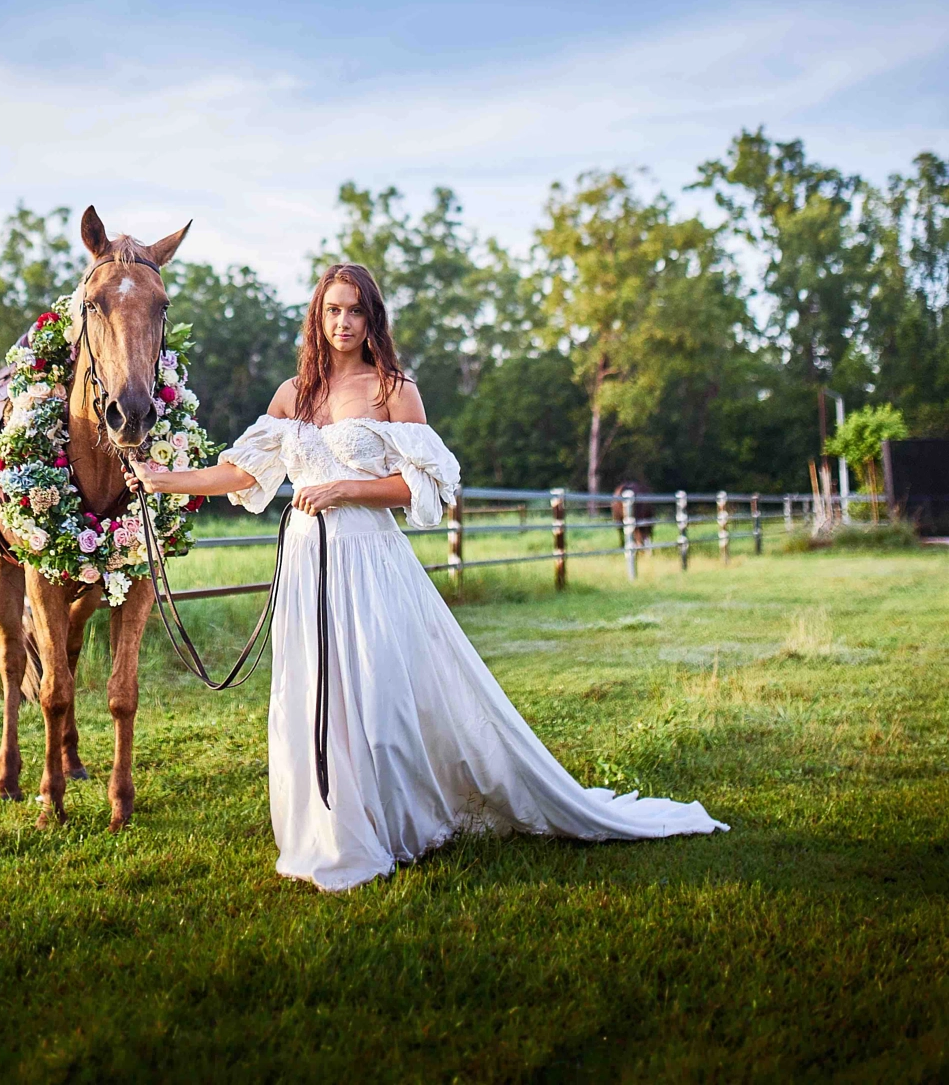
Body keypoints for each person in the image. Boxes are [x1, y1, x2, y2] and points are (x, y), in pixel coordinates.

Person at [133, 261, 727, 892]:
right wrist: (166, 479)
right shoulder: (292, 394)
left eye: (355, 310)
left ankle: (395, 819)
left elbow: (427, 487)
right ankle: (329, 826)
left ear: (372, 319)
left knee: (378, 689)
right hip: (309, 563)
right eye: (333, 309)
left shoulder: (394, 389)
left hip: (370, 561)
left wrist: (345, 489)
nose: (343, 322)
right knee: (314, 690)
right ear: (317, 315)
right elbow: (244, 474)